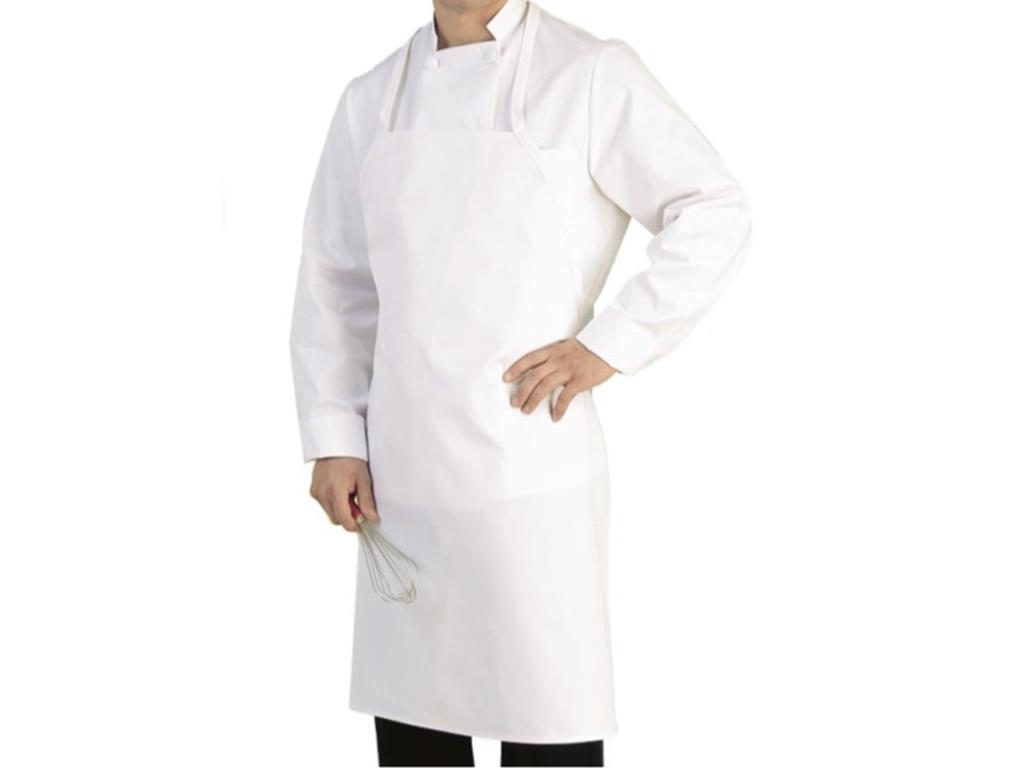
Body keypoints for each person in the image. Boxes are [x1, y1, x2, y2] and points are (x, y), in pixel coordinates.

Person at [289, 0, 751, 764]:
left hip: (531, 487)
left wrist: (608, 346)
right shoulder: (371, 100)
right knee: (415, 738)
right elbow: (337, 281)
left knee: (550, 731)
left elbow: (714, 210)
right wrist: (335, 438)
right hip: (405, 487)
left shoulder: (589, 74)